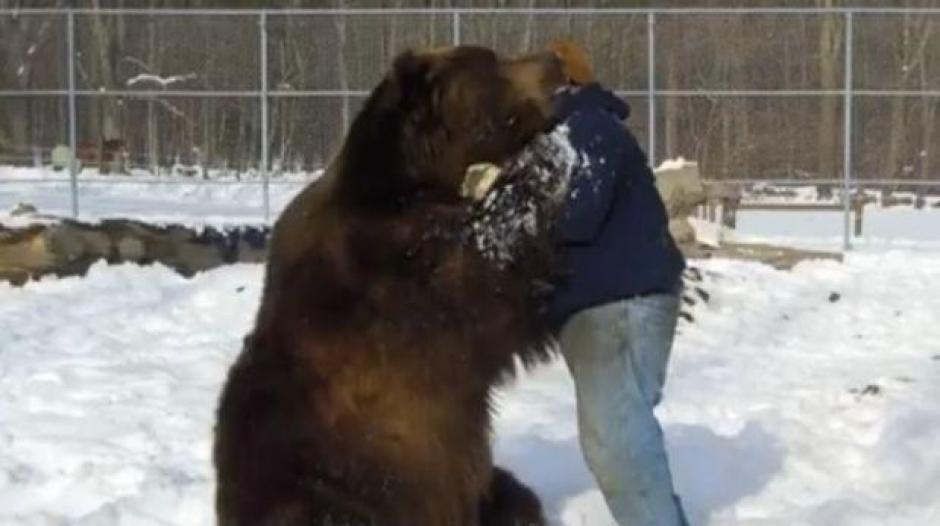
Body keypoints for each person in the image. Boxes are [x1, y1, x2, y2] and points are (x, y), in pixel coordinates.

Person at [547, 40, 689, 526]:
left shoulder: (585, 127)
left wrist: (511, 208)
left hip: (619, 304)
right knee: (621, 435)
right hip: (616, 302)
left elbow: (578, 215)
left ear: (561, 86)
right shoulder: (577, 130)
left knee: (617, 439)